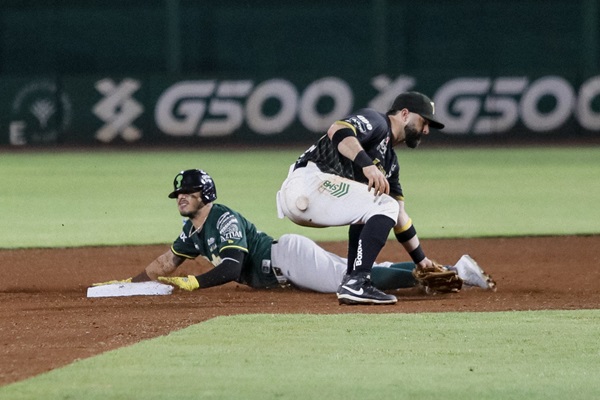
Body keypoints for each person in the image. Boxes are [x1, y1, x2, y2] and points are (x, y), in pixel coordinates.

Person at [93, 169, 495, 295]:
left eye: (188, 192)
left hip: (288, 260)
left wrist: (193, 284)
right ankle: (452, 269)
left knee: (352, 280)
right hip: (290, 264)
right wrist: (131, 284)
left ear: (206, 194)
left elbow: (233, 268)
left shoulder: (223, 220)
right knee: (357, 271)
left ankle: (456, 274)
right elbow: (167, 261)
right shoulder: (193, 229)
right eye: (178, 193)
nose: (181, 197)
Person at [276, 91, 448, 305]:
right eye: (424, 121)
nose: (426, 130)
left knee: (380, 208)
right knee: (385, 204)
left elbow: (399, 215)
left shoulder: (390, 163)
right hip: (307, 184)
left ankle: (353, 279)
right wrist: (367, 165)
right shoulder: (378, 122)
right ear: (404, 114)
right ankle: (357, 283)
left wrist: (422, 261)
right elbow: (337, 129)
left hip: (317, 196)